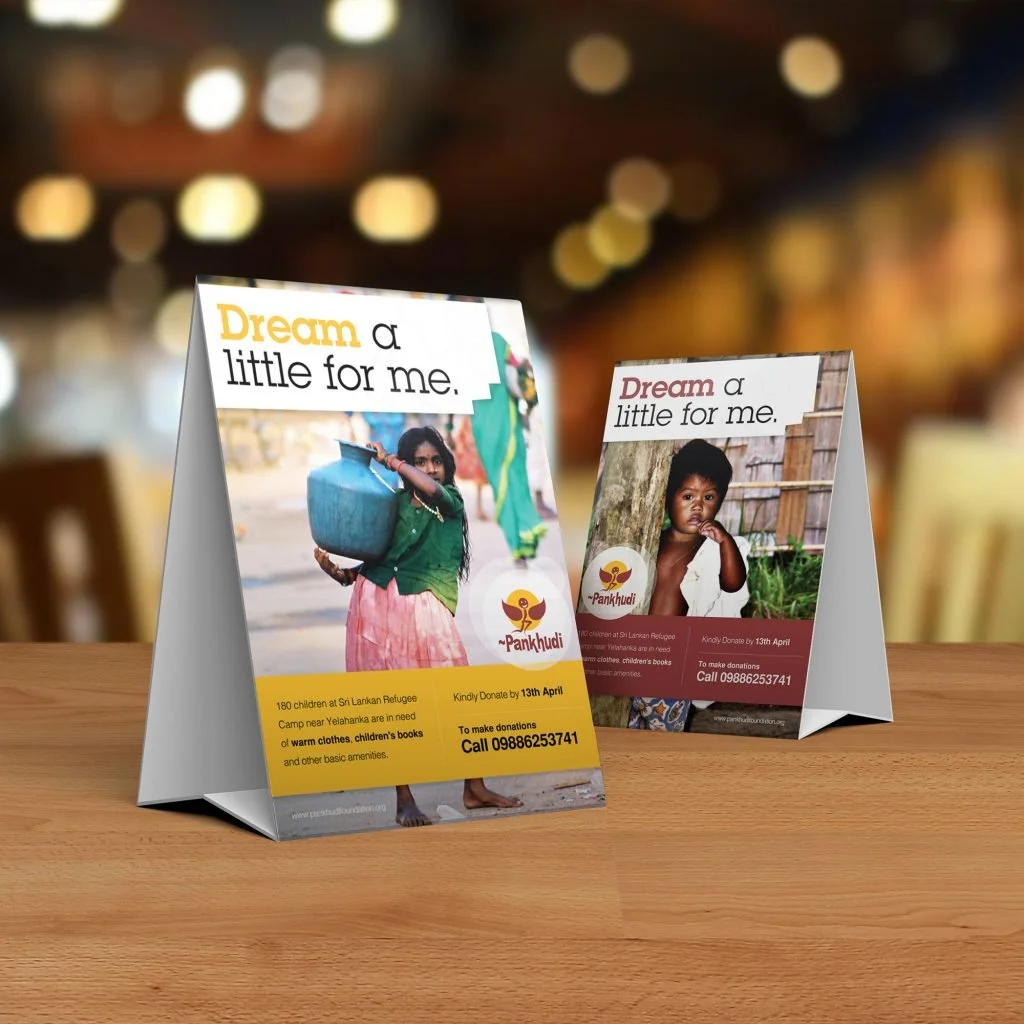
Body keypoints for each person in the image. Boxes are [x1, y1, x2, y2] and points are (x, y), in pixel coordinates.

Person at [313, 425, 523, 826]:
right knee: (390, 707)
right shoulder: (391, 502)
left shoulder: (450, 501)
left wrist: (393, 462)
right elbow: (381, 555)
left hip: (425, 610)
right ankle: (404, 799)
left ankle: (474, 787)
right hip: (375, 607)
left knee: (454, 698)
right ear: (409, 466)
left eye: (437, 461)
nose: (432, 468)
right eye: (421, 462)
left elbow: (431, 490)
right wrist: (343, 575)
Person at [630, 439, 751, 731]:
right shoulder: (650, 542)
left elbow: (733, 585)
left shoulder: (710, 549)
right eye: (688, 496)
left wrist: (725, 543)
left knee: (664, 734)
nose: (698, 506)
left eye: (708, 498)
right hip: (634, 653)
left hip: (672, 663)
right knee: (625, 724)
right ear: (667, 497)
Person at [470, 332, 547, 564]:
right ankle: (526, 533)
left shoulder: (457, 343)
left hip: (484, 425)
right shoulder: (497, 341)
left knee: (501, 483)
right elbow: (520, 370)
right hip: (506, 420)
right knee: (515, 478)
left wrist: (452, 426)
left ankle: (517, 542)